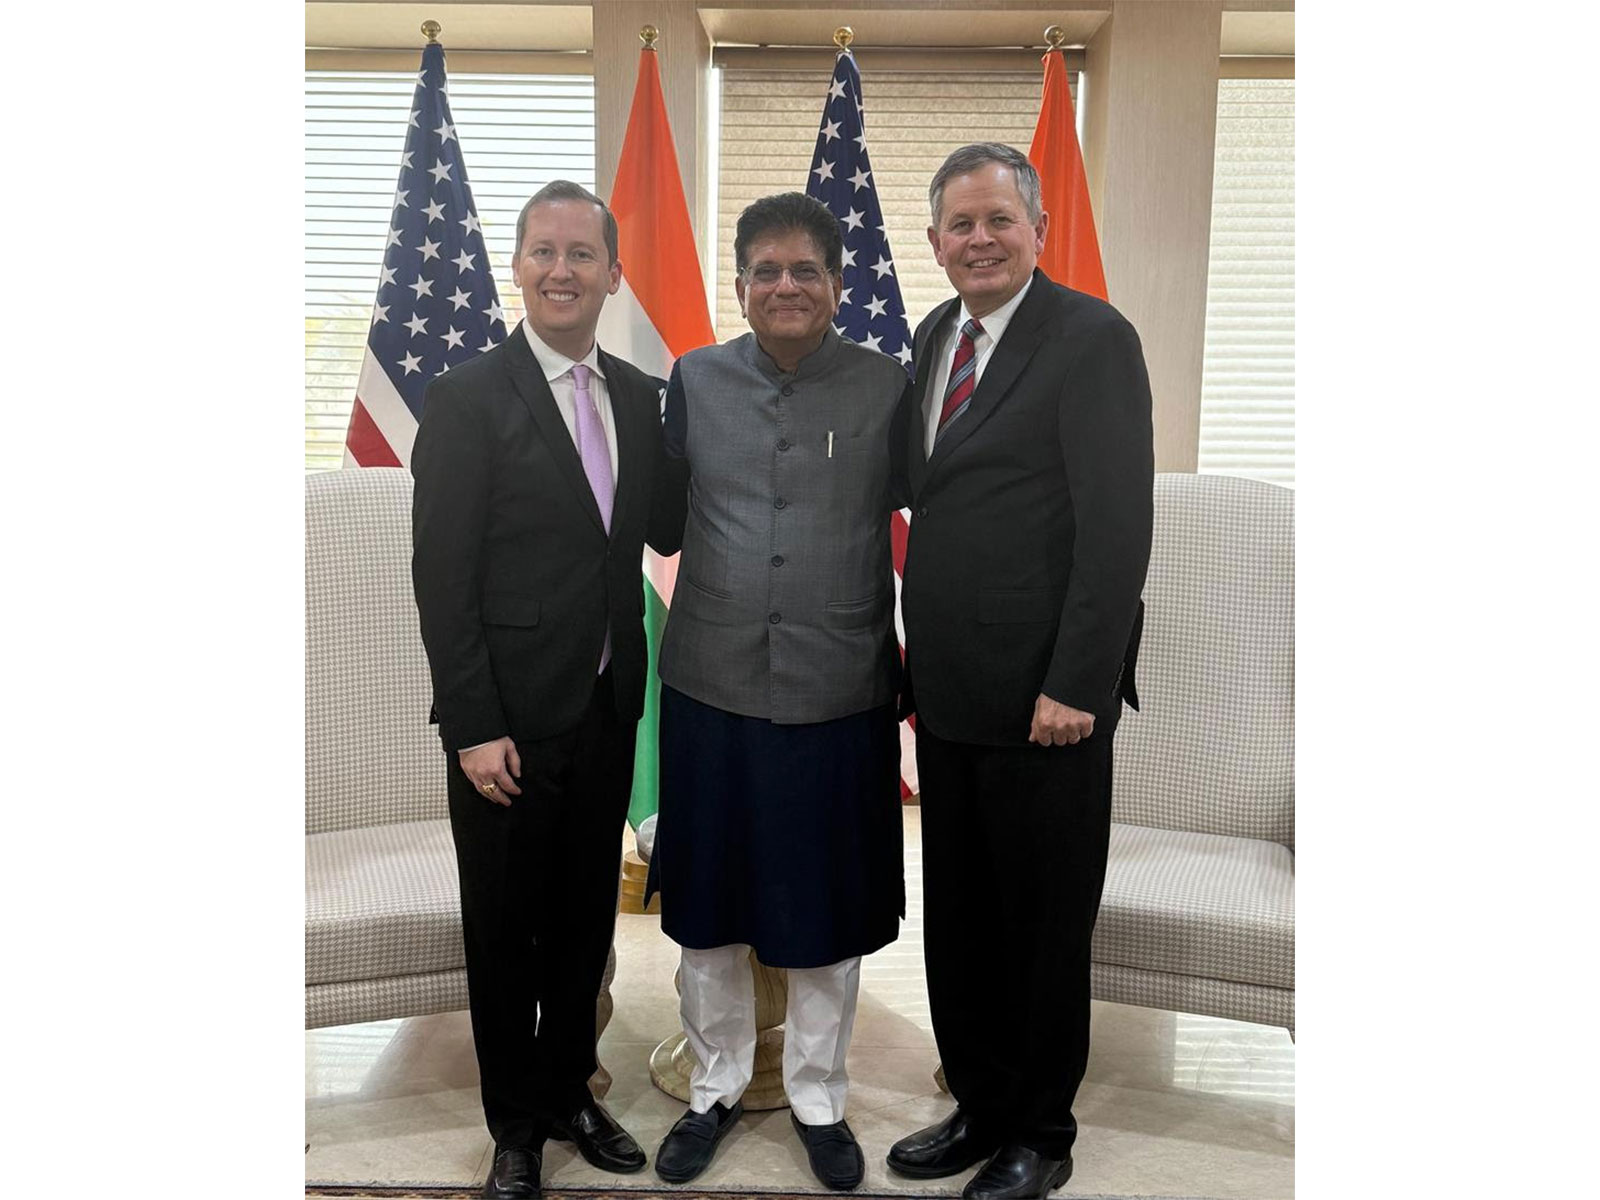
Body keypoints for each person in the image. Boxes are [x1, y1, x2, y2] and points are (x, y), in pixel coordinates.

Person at [887, 143, 1154, 1200]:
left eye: (999, 220)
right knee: (959, 916)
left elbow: (1115, 527)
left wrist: (1078, 684)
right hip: (947, 687)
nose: (980, 240)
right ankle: (981, 1105)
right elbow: (926, 491)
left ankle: (1040, 1130)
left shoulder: (1091, 339)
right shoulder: (932, 336)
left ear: (1037, 228)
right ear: (935, 241)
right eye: (960, 224)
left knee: (1040, 927)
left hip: (1049, 698)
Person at [411, 180, 678, 1200]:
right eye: (542, 252)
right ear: (516, 268)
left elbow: (665, 530)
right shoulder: (468, 397)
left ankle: (570, 1090)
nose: (561, 270)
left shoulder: (645, 401)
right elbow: (442, 575)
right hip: (507, 726)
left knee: (582, 927)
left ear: (613, 274)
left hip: (611, 710)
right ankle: (515, 1126)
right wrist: (472, 726)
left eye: (581, 254)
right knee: (506, 931)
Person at [645, 192, 911, 1192]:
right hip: (710, 683)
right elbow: (657, 514)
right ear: (741, 282)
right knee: (707, 908)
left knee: (824, 912)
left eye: (806, 270)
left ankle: (817, 1097)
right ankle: (714, 1085)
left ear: (838, 284)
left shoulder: (888, 387)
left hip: (838, 686)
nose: (786, 286)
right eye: (766, 269)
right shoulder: (694, 380)